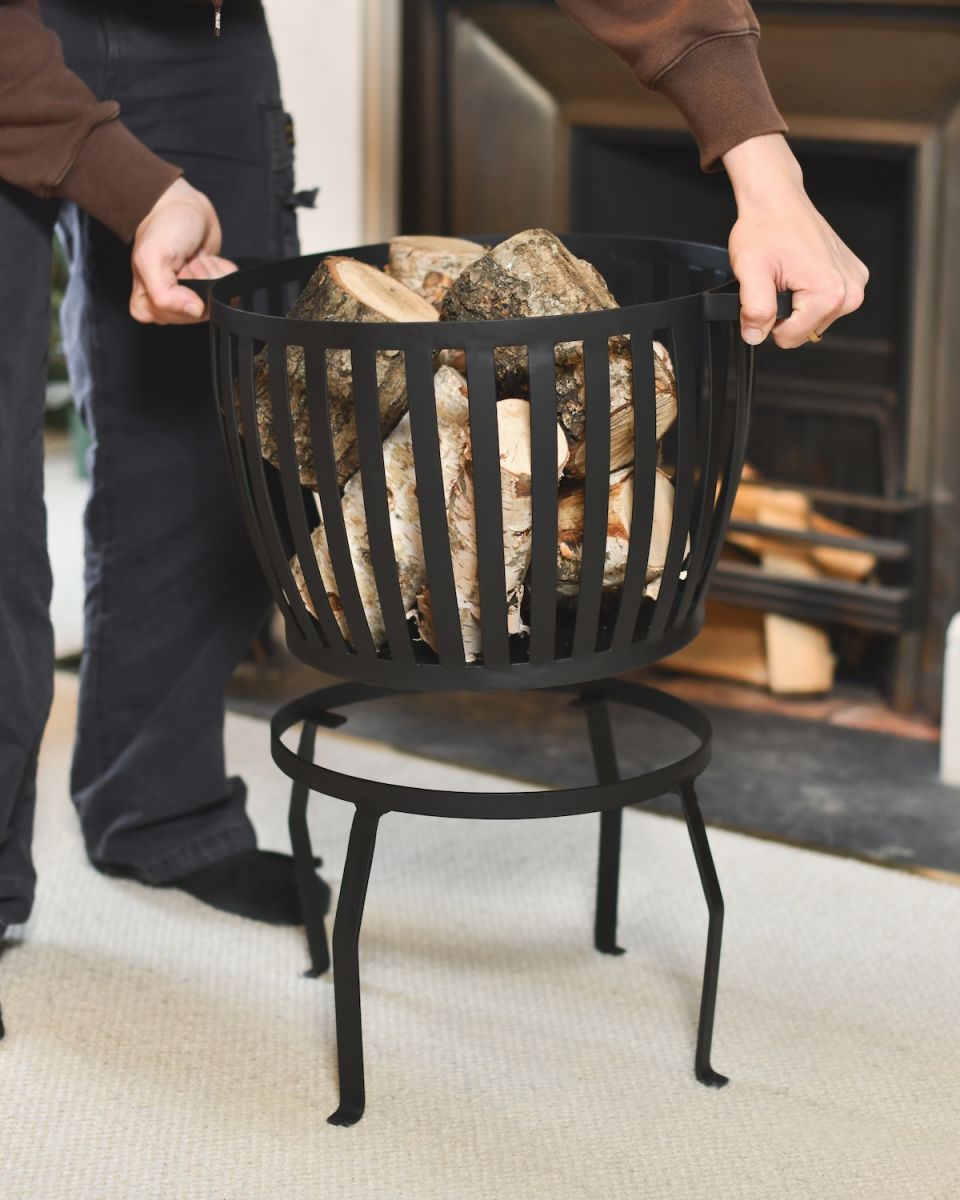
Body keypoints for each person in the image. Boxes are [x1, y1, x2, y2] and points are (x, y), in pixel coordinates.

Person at [0, 1, 867, 955]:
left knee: (225, 440)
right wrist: (125, 180)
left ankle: (158, 806)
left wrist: (764, 168)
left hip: (192, 32)